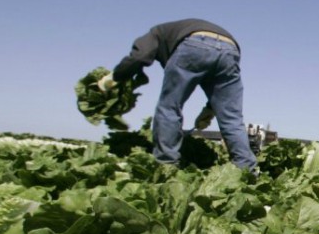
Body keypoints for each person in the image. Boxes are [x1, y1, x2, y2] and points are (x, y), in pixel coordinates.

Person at [102, 18, 257, 170]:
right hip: (230, 49)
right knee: (232, 118)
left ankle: (166, 164)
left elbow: (139, 56)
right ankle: (247, 170)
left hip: (194, 42)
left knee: (169, 107)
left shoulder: (155, 33)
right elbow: (220, 89)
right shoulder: (172, 31)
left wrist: (114, 77)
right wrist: (209, 110)